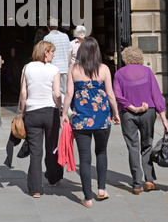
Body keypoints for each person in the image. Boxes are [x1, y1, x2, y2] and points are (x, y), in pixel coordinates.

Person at [61, 37, 120, 208]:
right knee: (101, 152)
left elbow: (69, 94)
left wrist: (64, 113)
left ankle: (87, 198)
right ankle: (101, 189)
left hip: (81, 120)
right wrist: (115, 113)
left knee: (85, 159)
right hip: (102, 118)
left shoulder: (74, 69)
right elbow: (110, 95)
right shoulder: (104, 69)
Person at [113, 46, 168, 195]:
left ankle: (137, 184)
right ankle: (149, 180)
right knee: (147, 145)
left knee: (133, 147)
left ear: (125, 59)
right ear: (140, 58)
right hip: (148, 112)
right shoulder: (148, 72)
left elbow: (117, 95)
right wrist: (163, 117)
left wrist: (130, 106)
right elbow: (156, 94)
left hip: (127, 113)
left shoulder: (119, 73)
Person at [20, 40, 63, 198]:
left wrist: (24, 112)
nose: (53, 55)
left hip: (33, 112)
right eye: (52, 52)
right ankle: (53, 178)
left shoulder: (27, 67)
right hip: (50, 112)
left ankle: (35, 189)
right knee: (52, 148)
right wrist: (59, 110)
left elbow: (24, 93)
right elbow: (57, 94)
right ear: (46, 52)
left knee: (35, 152)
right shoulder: (54, 69)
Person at [44, 17, 71, 107]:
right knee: (65, 90)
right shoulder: (65, 36)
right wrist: (68, 65)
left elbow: (46, 54)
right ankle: (64, 108)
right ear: (58, 26)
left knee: (55, 90)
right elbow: (69, 53)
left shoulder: (47, 37)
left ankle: (60, 108)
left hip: (53, 68)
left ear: (47, 27)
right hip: (65, 67)